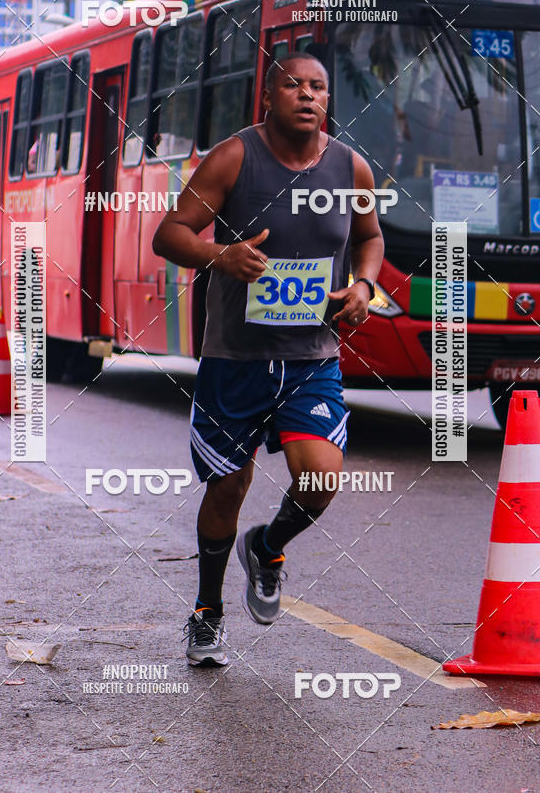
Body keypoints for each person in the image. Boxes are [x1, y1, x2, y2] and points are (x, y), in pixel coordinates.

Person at [153, 52, 384, 667]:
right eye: (293, 85)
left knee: (320, 479)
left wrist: (362, 286)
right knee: (228, 487)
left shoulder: (349, 166)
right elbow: (170, 232)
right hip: (237, 358)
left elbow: (369, 237)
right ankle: (207, 612)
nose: (307, 96)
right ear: (268, 97)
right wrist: (219, 255)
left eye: (318, 87)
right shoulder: (235, 157)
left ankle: (269, 545)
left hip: (311, 357)